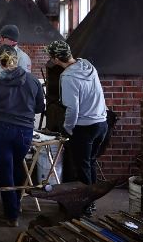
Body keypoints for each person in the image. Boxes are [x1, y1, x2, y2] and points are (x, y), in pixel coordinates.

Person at [0, 45, 45, 227]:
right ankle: (17, 204)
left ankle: (11, 215)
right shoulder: (33, 81)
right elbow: (39, 108)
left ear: (0, 61)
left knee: (6, 170)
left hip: (1, 132)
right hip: (25, 132)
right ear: (17, 59)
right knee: (18, 166)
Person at [45, 41, 107, 191]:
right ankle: (91, 201)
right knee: (90, 163)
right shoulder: (87, 65)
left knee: (82, 169)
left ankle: (85, 206)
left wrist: (67, 128)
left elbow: (72, 109)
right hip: (102, 123)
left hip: (84, 128)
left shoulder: (68, 77)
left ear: (56, 59)